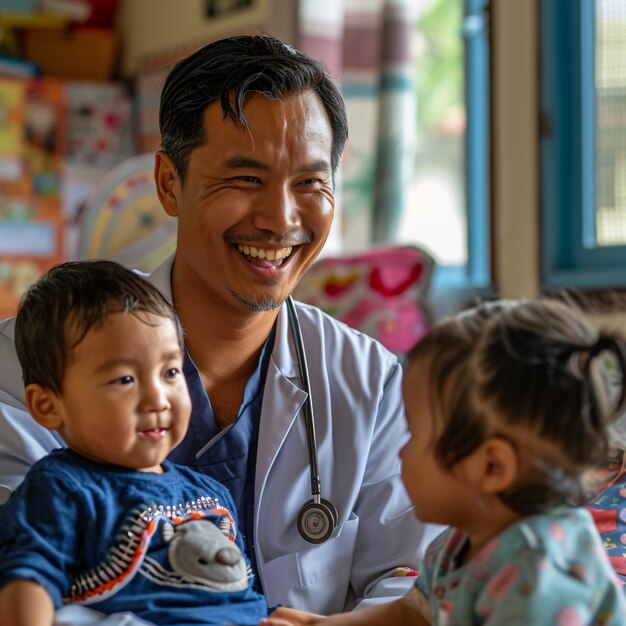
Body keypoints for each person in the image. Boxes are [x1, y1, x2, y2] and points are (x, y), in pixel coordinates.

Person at [0, 34, 435, 625]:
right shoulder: (30, 357)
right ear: (169, 183)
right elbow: (22, 586)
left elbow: (414, 581)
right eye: (246, 179)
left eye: (310, 182)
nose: (281, 219)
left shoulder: (371, 382)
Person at [262, 299, 626, 625]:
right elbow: (413, 612)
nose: (401, 452)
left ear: (491, 467)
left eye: (417, 434)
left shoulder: (537, 577)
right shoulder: (455, 543)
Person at [0, 260, 268, 626]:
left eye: (171, 372)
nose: (158, 399)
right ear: (48, 405)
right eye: (125, 379)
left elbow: (239, 598)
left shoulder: (211, 494)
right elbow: (27, 585)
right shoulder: (62, 490)